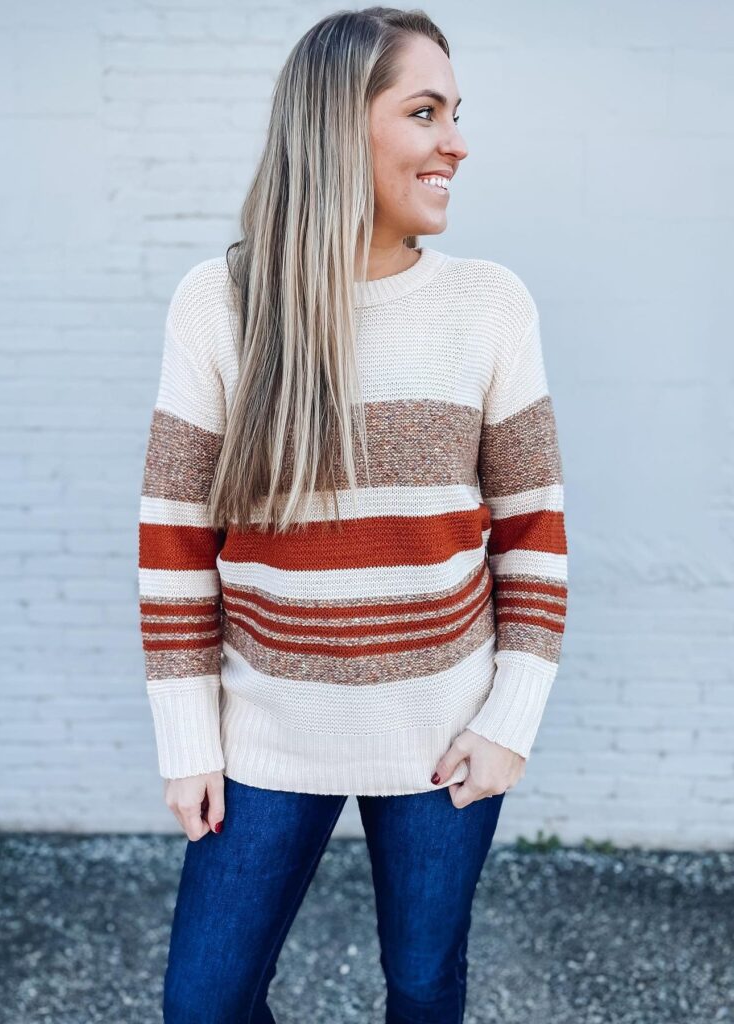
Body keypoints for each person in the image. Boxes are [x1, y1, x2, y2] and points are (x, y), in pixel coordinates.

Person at [137, 7, 568, 1022]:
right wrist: (187, 737)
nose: (457, 141)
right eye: (425, 112)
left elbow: (534, 531)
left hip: (443, 734)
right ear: (338, 124)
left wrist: (510, 719)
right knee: (204, 1002)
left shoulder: (490, 305)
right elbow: (174, 541)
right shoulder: (220, 302)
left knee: (422, 986)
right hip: (264, 733)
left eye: (456, 113)